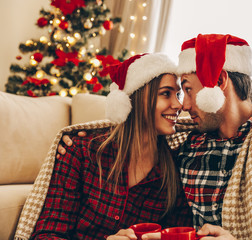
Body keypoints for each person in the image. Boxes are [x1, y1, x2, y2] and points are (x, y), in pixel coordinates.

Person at [55, 34, 252, 240]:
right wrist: (82, 138)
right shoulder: (183, 144)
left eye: (187, 89)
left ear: (220, 81)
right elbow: (138, 129)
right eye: (177, 92)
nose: (183, 104)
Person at [14, 53, 193, 240]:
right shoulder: (82, 151)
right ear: (136, 99)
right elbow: (47, 235)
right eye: (166, 94)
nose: (178, 104)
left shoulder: (174, 167)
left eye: (178, 94)